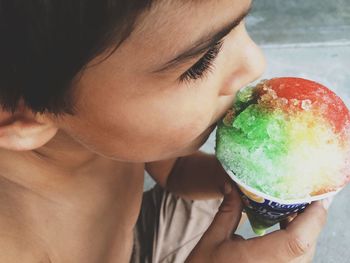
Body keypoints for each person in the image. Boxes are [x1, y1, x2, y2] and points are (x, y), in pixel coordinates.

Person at [0, 0, 329, 262]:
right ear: (20, 115)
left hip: (137, 239)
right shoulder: (13, 245)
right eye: (199, 63)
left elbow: (175, 170)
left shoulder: (110, 133)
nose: (254, 63)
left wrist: (250, 185)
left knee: (232, 206)